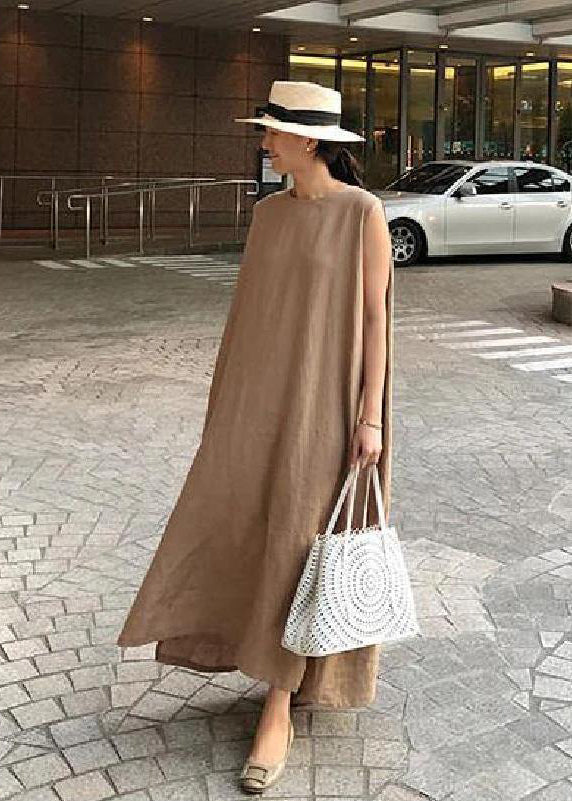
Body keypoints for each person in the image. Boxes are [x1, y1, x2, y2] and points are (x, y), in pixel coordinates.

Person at [118, 80, 393, 795]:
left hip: (327, 402)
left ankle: (279, 702)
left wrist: (369, 417)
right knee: (243, 522)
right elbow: (250, 315)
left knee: (301, 538)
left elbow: (376, 319)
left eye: (272, 131)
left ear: (307, 140)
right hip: (257, 399)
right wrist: (226, 407)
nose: (264, 143)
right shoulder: (269, 215)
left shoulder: (362, 212)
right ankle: (250, 654)